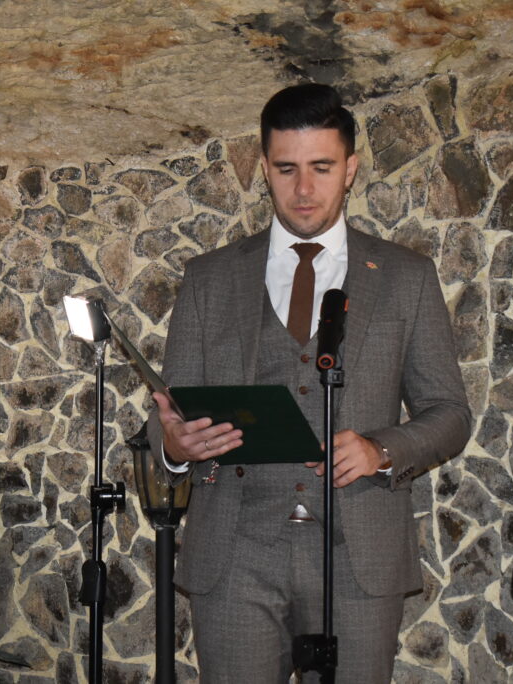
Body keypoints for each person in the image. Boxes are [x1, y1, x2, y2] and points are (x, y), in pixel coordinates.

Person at [148, 83, 471, 683]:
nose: (303, 189)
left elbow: (450, 412)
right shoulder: (208, 279)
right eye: (286, 169)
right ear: (264, 169)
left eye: (321, 167)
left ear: (350, 169)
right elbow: (168, 412)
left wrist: (380, 451)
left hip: (358, 555)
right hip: (236, 553)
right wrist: (173, 446)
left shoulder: (407, 277)